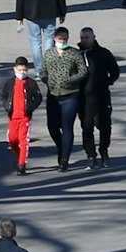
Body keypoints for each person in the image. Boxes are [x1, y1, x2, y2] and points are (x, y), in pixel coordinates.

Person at [40, 27, 87, 172]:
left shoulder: (74, 53)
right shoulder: (49, 54)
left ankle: (64, 159)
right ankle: (62, 146)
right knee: (52, 126)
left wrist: (70, 80)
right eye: (60, 38)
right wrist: (47, 80)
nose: (63, 41)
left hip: (70, 95)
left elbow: (83, 70)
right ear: (55, 38)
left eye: (65, 39)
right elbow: (43, 71)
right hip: (53, 95)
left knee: (67, 127)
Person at [76, 27, 120, 169]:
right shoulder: (77, 55)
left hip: (102, 95)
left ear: (94, 37)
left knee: (104, 125)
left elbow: (114, 70)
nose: (84, 40)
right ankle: (91, 155)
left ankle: (104, 151)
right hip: (84, 98)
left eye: (87, 37)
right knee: (87, 126)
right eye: (82, 38)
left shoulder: (103, 53)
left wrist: (108, 81)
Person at [1, 56, 41, 176]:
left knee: (23, 140)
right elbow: (4, 95)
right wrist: (6, 106)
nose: (22, 73)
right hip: (13, 116)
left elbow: (38, 97)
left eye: (24, 70)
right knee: (12, 140)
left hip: (25, 117)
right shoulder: (9, 83)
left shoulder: (31, 83)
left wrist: (30, 108)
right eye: (19, 70)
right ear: (14, 69)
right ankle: (19, 157)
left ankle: (22, 164)